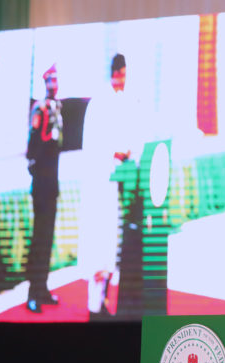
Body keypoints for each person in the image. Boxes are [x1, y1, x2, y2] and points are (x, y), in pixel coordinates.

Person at [80, 53, 141, 320]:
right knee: (98, 244)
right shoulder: (98, 104)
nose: (123, 81)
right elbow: (94, 145)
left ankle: (103, 301)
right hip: (99, 184)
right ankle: (94, 305)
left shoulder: (124, 102)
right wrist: (115, 153)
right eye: (121, 75)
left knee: (111, 246)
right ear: (114, 74)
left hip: (117, 182)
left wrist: (128, 153)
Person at [25, 63, 63, 313]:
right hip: (41, 184)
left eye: (56, 80)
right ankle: (33, 293)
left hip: (53, 184)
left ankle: (44, 287)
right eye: (49, 80)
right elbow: (32, 148)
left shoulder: (58, 108)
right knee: (39, 239)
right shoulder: (39, 108)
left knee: (48, 239)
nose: (53, 84)